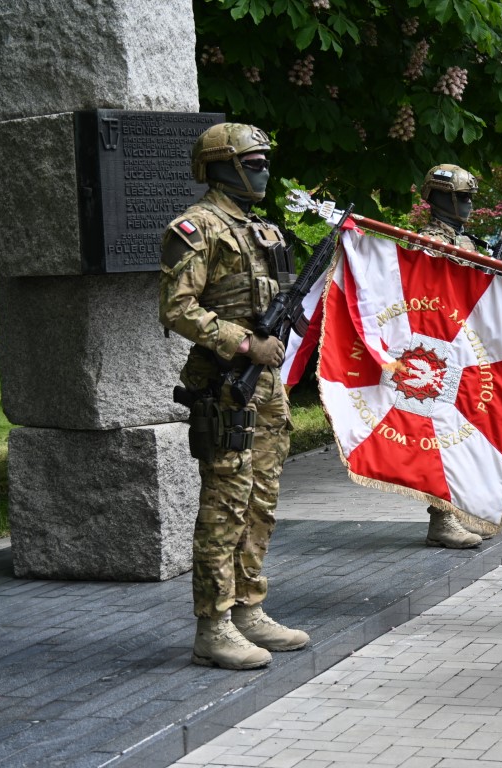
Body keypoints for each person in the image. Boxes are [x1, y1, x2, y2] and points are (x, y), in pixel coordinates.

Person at [160, 123, 309, 670]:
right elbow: (177, 308)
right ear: (222, 165)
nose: (265, 171)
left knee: (260, 501)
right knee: (224, 504)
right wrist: (246, 342)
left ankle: (248, 608)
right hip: (226, 385)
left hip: (264, 387)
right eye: (254, 162)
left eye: (266, 161)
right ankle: (214, 625)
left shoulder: (261, 230)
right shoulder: (196, 227)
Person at [416, 163, 487, 547]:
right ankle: (440, 519)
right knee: (440, 436)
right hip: (434, 352)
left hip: (461, 349)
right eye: (463, 197)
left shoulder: (465, 242)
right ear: (440, 198)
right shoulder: (426, 242)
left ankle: (456, 511)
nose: (470, 204)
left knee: (460, 436)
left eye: (471, 197)